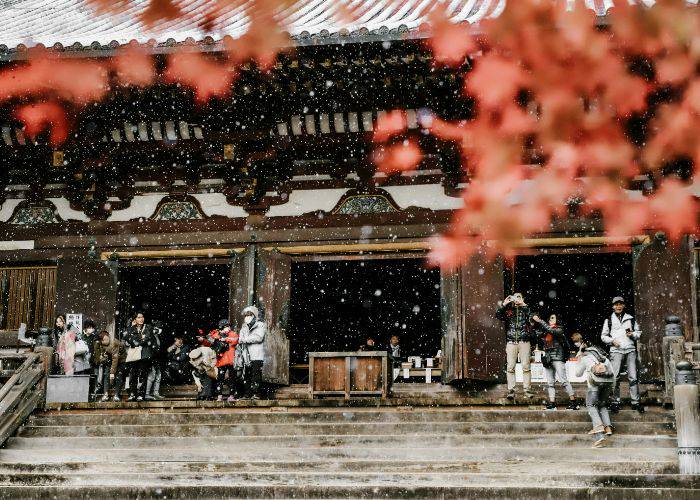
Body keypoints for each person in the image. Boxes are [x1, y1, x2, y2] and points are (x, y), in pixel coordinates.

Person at [600, 296, 644, 413]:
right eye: (616, 304)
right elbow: (603, 336)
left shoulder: (631, 319)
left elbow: (639, 333)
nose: (618, 306)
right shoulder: (608, 320)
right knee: (615, 377)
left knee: (633, 377)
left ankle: (635, 401)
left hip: (630, 350)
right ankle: (615, 401)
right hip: (616, 350)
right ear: (613, 306)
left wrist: (632, 335)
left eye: (620, 304)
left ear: (624, 305)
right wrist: (612, 341)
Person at [573, 333, 615, 448]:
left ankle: (599, 434)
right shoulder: (602, 356)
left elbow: (577, 373)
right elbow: (612, 373)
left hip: (595, 385)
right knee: (602, 404)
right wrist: (611, 389)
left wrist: (579, 357)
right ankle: (608, 427)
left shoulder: (585, 357)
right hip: (608, 384)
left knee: (591, 405)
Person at [532, 314, 578, 410]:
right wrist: (535, 324)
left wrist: (540, 321)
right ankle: (552, 403)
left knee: (564, 381)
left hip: (558, 357)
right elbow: (537, 334)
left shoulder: (559, 329)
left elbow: (551, 331)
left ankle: (573, 402)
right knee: (550, 383)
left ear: (558, 320)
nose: (550, 319)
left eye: (553, 318)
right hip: (548, 358)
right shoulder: (546, 329)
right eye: (549, 318)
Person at [495, 292, 534, 400]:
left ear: (522, 298)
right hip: (511, 342)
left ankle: (527, 390)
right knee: (510, 367)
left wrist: (523, 305)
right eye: (515, 297)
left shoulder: (526, 309)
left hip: (524, 341)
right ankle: (511, 390)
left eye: (519, 297)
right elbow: (498, 315)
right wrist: (504, 304)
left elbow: (533, 318)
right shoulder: (509, 310)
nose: (516, 299)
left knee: (526, 367)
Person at [202, 319, 239, 402]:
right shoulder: (216, 334)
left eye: (228, 326)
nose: (228, 328)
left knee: (232, 378)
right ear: (221, 327)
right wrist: (204, 339)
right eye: (226, 326)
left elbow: (235, 339)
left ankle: (232, 395)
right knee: (220, 378)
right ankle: (219, 395)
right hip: (221, 360)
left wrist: (225, 339)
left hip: (231, 360)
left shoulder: (232, 334)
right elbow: (209, 342)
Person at [123, 312, 158, 402]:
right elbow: (127, 337)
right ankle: (132, 394)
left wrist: (137, 340)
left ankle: (141, 395)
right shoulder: (131, 328)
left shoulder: (148, 327)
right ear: (135, 319)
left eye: (142, 317)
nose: (141, 319)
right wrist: (138, 338)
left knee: (143, 374)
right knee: (133, 374)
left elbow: (147, 338)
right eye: (139, 317)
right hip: (134, 355)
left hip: (144, 354)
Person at [237, 306, 266, 400]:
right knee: (247, 375)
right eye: (246, 315)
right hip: (246, 355)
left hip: (257, 354)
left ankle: (256, 394)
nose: (247, 317)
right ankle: (247, 394)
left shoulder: (260, 325)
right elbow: (240, 338)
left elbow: (259, 337)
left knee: (256, 375)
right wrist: (243, 340)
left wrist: (246, 339)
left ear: (254, 315)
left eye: (249, 315)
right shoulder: (244, 327)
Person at [93, 331, 128, 402]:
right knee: (106, 374)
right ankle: (105, 394)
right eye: (104, 340)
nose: (107, 341)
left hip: (120, 360)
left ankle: (116, 394)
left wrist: (112, 375)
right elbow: (98, 355)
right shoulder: (98, 343)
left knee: (118, 375)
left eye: (107, 339)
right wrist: (102, 357)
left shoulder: (114, 343)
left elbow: (115, 360)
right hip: (109, 359)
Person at [145, 321, 165, 401]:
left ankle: (156, 393)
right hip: (152, 358)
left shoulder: (159, 337)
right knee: (151, 376)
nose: (158, 330)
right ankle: (147, 393)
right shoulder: (150, 336)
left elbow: (160, 349)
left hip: (157, 358)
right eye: (157, 328)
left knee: (158, 376)